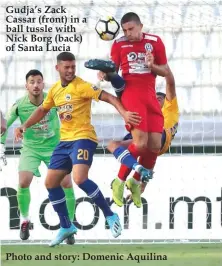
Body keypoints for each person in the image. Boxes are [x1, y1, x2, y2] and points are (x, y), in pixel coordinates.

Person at [14, 52, 151, 247]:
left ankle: (110, 215)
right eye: (66, 67)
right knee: (51, 183)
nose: (70, 71)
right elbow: (42, 110)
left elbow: (110, 97)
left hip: (84, 138)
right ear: (58, 68)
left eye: (72, 67)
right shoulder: (54, 91)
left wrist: (125, 113)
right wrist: (24, 126)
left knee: (79, 179)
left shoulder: (82, 86)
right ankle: (66, 226)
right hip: (64, 142)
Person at [85, 12, 170, 193]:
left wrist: (152, 66)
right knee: (140, 143)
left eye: (131, 29)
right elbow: (113, 70)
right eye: (124, 30)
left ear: (140, 26)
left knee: (155, 144)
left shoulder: (155, 41)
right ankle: (119, 181)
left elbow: (165, 71)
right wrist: (104, 74)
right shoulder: (119, 44)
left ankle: (135, 181)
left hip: (150, 94)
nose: (128, 33)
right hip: (131, 93)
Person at [1, 70, 76, 244]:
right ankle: (25, 220)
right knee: (23, 181)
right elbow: (4, 125)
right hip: (31, 148)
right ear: (26, 85)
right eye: (32, 82)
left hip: (55, 148)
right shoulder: (19, 105)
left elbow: (69, 116)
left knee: (66, 183)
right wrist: (1, 145)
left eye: (39, 81)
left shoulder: (53, 100)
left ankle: (69, 226)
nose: (35, 85)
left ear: (43, 84)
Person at [109, 66, 179, 207]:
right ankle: (132, 179)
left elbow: (170, 81)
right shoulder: (146, 109)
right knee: (113, 145)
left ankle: (122, 179)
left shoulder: (170, 107)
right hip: (146, 135)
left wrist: (162, 65)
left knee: (150, 141)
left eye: (159, 99)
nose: (155, 100)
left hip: (159, 136)